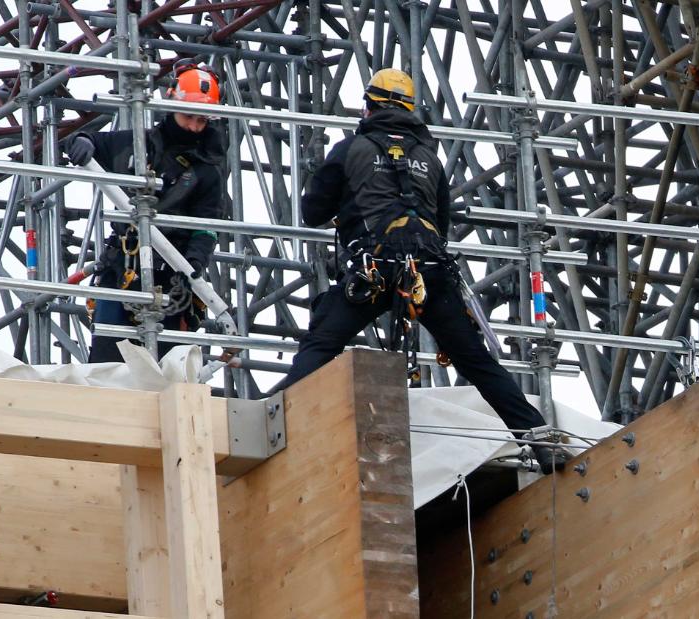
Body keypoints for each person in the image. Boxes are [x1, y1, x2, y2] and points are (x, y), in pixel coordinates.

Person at [280, 68, 567, 474]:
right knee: (478, 364)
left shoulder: (350, 150)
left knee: (321, 344)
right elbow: (442, 225)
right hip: (428, 272)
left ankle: (270, 427)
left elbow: (313, 213)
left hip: (373, 271)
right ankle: (540, 440)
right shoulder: (429, 159)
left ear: (369, 106)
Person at [63, 64, 229, 363]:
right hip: (123, 267)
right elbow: (91, 142)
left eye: (202, 120)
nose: (194, 126)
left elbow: (206, 228)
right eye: (188, 116)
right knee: (107, 362)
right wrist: (81, 141)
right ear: (171, 106)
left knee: (167, 369)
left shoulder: (206, 170)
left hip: (172, 276)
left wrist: (191, 267)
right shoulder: (137, 144)